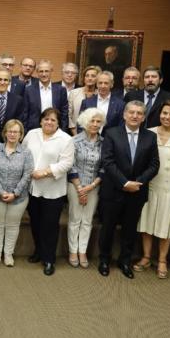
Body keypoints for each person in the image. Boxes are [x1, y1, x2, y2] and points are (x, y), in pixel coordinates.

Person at [97, 101, 160, 279]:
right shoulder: (111, 133)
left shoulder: (150, 137)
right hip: (113, 190)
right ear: (124, 115)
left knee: (130, 229)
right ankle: (104, 260)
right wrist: (124, 183)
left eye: (139, 113)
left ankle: (125, 261)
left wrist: (137, 183)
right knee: (108, 227)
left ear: (143, 117)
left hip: (137, 192)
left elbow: (154, 165)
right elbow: (107, 161)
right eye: (131, 112)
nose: (135, 116)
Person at [136, 100, 170, 279]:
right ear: (160, 114)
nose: (167, 117)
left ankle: (161, 260)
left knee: (165, 225)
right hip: (150, 185)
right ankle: (145, 257)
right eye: (165, 113)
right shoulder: (148, 133)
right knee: (147, 223)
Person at [22, 108, 74, 276]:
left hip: (53, 191)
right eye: (46, 119)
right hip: (32, 189)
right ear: (40, 120)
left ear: (58, 123)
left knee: (50, 226)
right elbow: (23, 153)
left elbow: (66, 164)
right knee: (35, 223)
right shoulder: (31, 134)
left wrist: (44, 172)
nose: (49, 122)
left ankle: (49, 259)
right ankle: (39, 251)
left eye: (53, 120)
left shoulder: (65, 139)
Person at [0, 119, 34, 267]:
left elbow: (27, 174)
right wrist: (0, 191)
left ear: (21, 134)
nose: (12, 134)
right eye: (10, 131)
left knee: (13, 225)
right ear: (5, 133)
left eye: (16, 132)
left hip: (19, 198)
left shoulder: (26, 153)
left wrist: (15, 193)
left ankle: (8, 254)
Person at [67, 108, 105, 269]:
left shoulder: (104, 142)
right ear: (84, 122)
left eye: (98, 121)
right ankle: (72, 251)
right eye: (92, 121)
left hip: (94, 186)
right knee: (75, 219)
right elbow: (71, 165)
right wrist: (80, 188)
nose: (95, 124)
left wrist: (91, 186)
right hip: (75, 186)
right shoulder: (74, 141)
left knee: (87, 221)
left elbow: (105, 166)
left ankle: (82, 251)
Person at [23, 60, 69, 132]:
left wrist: (62, 131)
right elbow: (25, 114)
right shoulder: (29, 90)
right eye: (41, 71)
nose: (44, 74)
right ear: (37, 73)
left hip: (55, 131)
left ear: (51, 72)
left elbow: (64, 114)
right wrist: (25, 132)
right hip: (34, 131)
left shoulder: (61, 90)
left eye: (46, 71)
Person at [67, 65, 100, 134]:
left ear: (98, 78)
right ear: (84, 78)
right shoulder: (74, 93)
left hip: (95, 133)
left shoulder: (100, 95)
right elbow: (68, 114)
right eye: (87, 76)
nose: (89, 78)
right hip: (74, 132)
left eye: (93, 76)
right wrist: (75, 133)